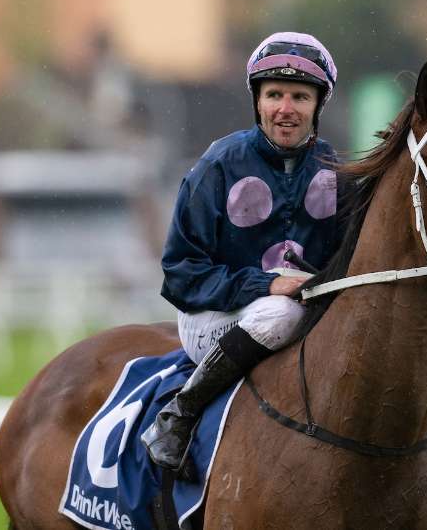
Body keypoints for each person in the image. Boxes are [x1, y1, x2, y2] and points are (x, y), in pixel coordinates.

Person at [141, 31, 341, 471]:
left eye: (300, 97)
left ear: (317, 105)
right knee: (280, 313)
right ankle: (179, 413)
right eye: (274, 95)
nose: (286, 109)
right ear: (257, 101)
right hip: (213, 316)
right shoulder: (219, 164)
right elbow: (181, 275)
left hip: (306, 314)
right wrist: (266, 285)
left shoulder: (336, 172)